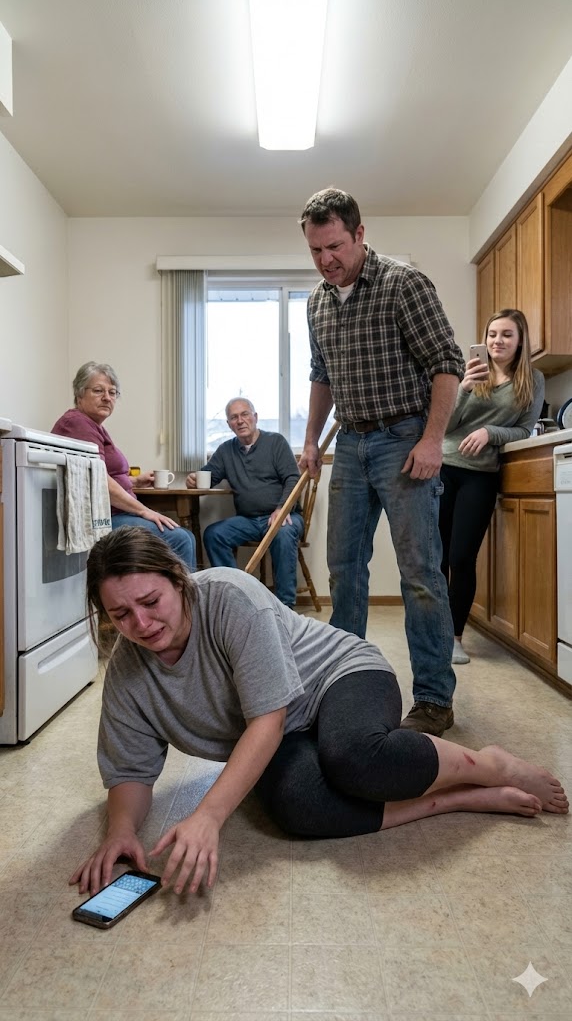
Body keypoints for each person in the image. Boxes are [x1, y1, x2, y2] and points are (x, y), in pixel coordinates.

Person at [69, 528, 568, 898]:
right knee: (299, 807)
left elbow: (267, 719)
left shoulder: (229, 598)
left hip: (338, 676)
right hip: (281, 728)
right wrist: (122, 832)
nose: (141, 623)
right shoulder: (128, 670)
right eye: (120, 615)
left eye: (151, 601)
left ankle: (489, 765)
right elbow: (131, 771)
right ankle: (457, 800)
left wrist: (208, 817)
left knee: (356, 757)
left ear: (178, 580)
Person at [298, 187, 465, 736]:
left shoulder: (403, 284)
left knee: (419, 574)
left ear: (360, 234)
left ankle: (435, 698)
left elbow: (447, 364)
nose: (327, 261)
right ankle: (347, 685)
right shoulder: (317, 301)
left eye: (336, 247)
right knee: (344, 570)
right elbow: (322, 376)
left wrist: (433, 439)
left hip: (405, 438)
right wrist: (309, 441)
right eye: (317, 250)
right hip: (349, 443)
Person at [440, 309, 545, 665]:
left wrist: (490, 433)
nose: (497, 341)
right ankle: (434, 634)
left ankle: (454, 637)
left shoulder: (532, 380)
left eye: (506, 335)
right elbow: (445, 422)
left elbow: (524, 430)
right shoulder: (469, 372)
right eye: (492, 334)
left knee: (461, 557)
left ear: (520, 341)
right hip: (442, 468)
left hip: (481, 474)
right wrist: (464, 388)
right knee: (435, 557)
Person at [52, 361, 196, 570]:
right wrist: (144, 511)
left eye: (112, 392)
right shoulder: (77, 424)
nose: (107, 398)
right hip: (102, 520)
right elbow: (98, 480)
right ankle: (183, 600)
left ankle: (175, 598)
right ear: (79, 394)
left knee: (187, 537)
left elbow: (98, 473)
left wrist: (135, 481)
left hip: (115, 513)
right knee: (180, 539)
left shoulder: (93, 426)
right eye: (98, 390)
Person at [186, 397, 304, 608]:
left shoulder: (275, 442)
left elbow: (293, 479)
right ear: (229, 424)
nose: (240, 421)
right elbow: (209, 477)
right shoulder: (225, 450)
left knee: (283, 533)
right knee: (214, 534)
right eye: (234, 417)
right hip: (249, 521)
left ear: (255, 417)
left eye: (245, 414)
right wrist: (194, 479)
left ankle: (286, 606)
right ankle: (238, 598)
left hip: (285, 516)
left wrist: (282, 509)